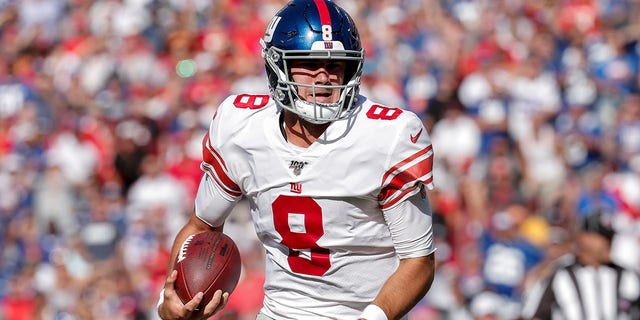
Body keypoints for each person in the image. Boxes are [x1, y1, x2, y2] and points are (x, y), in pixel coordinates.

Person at [157, 1, 437, 319]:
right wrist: (173, 299)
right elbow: (201, 225)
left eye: (334, 65)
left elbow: (418, 260)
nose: (324, 78)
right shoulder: (242, 126)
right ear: (278, 66)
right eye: (309, 62)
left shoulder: (388, 136)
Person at [520, 212, 640, 320]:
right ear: (584, 238)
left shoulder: (628, 276)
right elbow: (537, 315)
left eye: (611, 238)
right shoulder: (560, 275)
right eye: (603, 238)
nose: (609, 244)